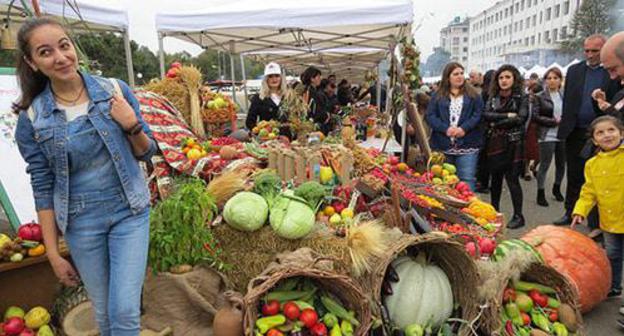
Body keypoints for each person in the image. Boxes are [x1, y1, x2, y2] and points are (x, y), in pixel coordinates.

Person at [13, 18, 157, 336]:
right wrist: (53, 253)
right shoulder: (32, 120)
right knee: (104, 316)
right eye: (46, 52)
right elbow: (42, 185)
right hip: (81, 223)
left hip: (128, 213)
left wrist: (131, 124)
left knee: (124, 312)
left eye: (64, 45)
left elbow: (147, 152)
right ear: (32, 62)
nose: (61, 57)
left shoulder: (114, 91)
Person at [554, 34, 623, 227]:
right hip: (575, 131)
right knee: (574, 174)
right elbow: (568, 100)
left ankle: (598, 222)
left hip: (603, 134)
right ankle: (570, 212)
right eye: (587, 50)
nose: (590, 55)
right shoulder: (575, 70)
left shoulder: (610, 72)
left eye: (595, 51)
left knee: (600, 178)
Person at [570, 116, 624, 309]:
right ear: (594, 140)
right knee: (613, 255)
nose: (607, 135)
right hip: (609, 221)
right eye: (600, 133)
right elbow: (588, 191)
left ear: (621, 133)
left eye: (611, 130)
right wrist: (580, 211)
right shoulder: (592, 164)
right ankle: (613, 286)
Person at [483, 64, 529, 229]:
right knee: (495, 179)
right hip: (495, 143)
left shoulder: (521, 97)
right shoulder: (493, 96)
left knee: (512, 180)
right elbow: (486, 115)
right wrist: (506, 116)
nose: (504, 80)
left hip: (514, 142)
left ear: (514, 78)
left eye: (507, 77)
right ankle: (494, 213)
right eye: (501, 77)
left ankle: (519, 215)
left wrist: (497, 122)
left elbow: (521, 118)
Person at [426, 62, 484, 190]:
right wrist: (445, 129)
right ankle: (444, 209)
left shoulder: (474, 95)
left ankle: (467, 209)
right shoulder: (437, 95)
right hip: (442, 145)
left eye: (462, 73)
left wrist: (464, 128)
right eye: (455, 74)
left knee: (466, 179)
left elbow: (478, 114)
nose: (460, 76)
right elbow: (430, 116)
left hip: (467, 145)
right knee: (442, 180)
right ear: (448, 77)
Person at [534, 68, 566, 207]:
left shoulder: (564, 95)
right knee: (545, 164)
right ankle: (540, 192)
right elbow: (535, 116)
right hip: (547, 134)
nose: (552, 81)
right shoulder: (539, 96)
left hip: (563, 134)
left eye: (555, 78)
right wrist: (553, 122)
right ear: (545, 80)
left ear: (560, 80)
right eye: (549, 78)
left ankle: (557, 188)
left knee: (561, 164)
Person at [245, 62, 288, 131]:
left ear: (281, 78)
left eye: (277, 76)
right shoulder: (258, 98)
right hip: (268, 139)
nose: (274, 79)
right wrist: (260, 133)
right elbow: (250, 122)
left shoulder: (288, 96)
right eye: (270, 76)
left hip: (288, 138)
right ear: (266, 79)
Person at [475, 69, 497, 193]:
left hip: (486, 130)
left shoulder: (486, 94)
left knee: (485, 159)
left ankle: (484, 182)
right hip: (485, 130)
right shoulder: (485, 95)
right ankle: (483, 182)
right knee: (485, 159)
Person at [300, 66, 330, 134]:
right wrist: (326, 115)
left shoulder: (305, 90)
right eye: (318, 77)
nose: (320, 79)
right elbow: (316, 112)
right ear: (312, 79)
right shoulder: (312, 93)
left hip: (307, 125)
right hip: (314, 128)